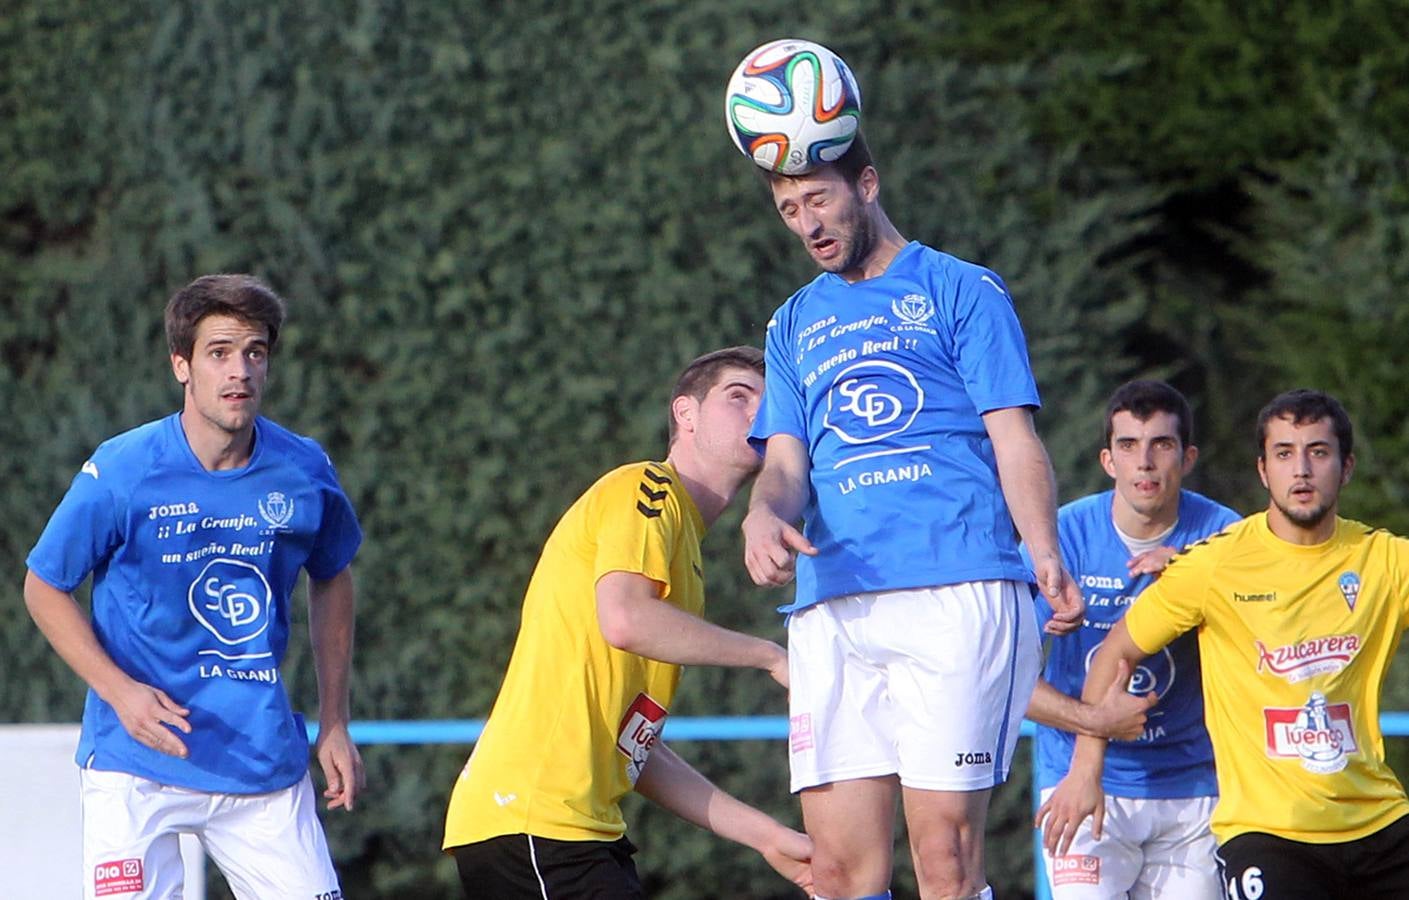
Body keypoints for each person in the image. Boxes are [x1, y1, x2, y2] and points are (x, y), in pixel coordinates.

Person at [740, 124, 1083, 900]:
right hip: (832, 604)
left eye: (818, 200)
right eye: (789, 209)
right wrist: (762, 515)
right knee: (835, 874)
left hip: (956, 591)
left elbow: (1013, 438)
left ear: (866, 184)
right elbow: (786, 464)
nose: (808, 225)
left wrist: (1045, 551)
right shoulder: (791, 323)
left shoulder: (961, 288)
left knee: (945, 862)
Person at [23, 274, 364, 899]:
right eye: (219, 352)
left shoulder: (304, 469)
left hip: (261, 762)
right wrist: (121, 693)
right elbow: (44, 586)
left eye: (255, 352)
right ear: (181, 365)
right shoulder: (124, 468)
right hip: (136, 765)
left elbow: (332, 575)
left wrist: (335, 720)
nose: (240, 370)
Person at [443, 346, 813, 898]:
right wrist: (770, 655)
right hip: (533, 821)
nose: (760, 412)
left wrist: (765, 837)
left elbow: (634, 749)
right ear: (684, 414)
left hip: (566, 831)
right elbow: (624, 619)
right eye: (740, 395)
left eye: (770, 402)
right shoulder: (649, 489)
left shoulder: (683, 549)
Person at [1038, 389, 1409, 899]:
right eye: (1284, 454)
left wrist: (1182, 564)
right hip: (1247, 826)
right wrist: (1085, 765)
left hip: (1237, 797)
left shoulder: (1383, 561)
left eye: (1317, 452)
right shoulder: (1199, 559)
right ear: (1263, 470)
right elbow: (1060, 663)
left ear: (1346, 467)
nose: (1301, 469)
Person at [1023, 380, 1240, 899]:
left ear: (1187, 457)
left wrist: (1196, 572)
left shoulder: (1224, 536)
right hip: (1083, 779)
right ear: (1107, 460)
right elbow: (1005, 678)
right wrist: (1089, 734)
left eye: (1161, 445)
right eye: (1128, 445)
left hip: (1196, 788)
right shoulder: (1061, 537)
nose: (1144, 462)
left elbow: (1272, 644)